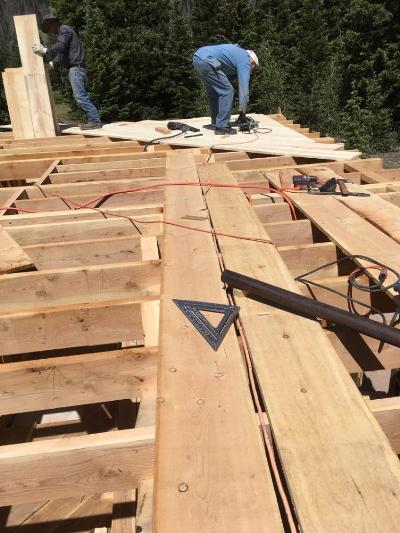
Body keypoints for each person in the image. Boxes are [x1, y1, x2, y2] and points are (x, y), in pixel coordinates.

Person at [32, 14, 102, 130]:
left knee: (80, 96)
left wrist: (45, 50)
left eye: (49, 28)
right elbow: (62, 54)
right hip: (76, 68)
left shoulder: (64, 30)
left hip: (76, 68)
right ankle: (94, 120)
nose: (50, 32)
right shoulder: (64, 32)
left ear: (53, 23)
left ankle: (95, 121)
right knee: (80, 95)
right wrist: (52, 64)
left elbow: (60, 46)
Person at [193, 44, 259, 135]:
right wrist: (242, 113)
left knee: (214, 92)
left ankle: (216, 123)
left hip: (198, 57)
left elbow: (225, 76)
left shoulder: (237, 53)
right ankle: (222, 126)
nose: (251, 72)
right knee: (227, 91)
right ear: (252, 62)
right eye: (253, 69)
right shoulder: (245, 60)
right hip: (208, 60)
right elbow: (244, 90)